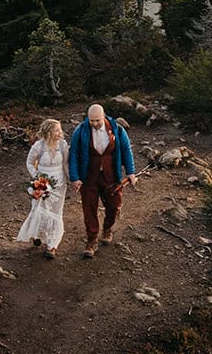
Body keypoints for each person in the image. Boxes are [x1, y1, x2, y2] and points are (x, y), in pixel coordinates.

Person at [68, 103, 136, 258]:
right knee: (89, 208)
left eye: (97, 120)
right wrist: (75, 177)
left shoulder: (117, 129)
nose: (94, 123)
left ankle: (107, 228)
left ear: (104, 116)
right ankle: (91, 240)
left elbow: (126, 149)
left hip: (111, 175)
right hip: (88, 176)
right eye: (91, 120)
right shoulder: (80, 131)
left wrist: (131, 172)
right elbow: (74, 155)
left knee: (114, 206)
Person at [15, 118, 69, 258]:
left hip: (59, 184)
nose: (60, 132)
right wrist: (37, 178)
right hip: (42, 183)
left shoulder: (63, 145)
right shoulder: (38, 146)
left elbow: (65, 164)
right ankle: (38, 234)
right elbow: (30, 163)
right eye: (57, 130)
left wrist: (72, 179)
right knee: (39, 209)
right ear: (49, 131)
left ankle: (52, 245)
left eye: (60, 129)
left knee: (56, 212)